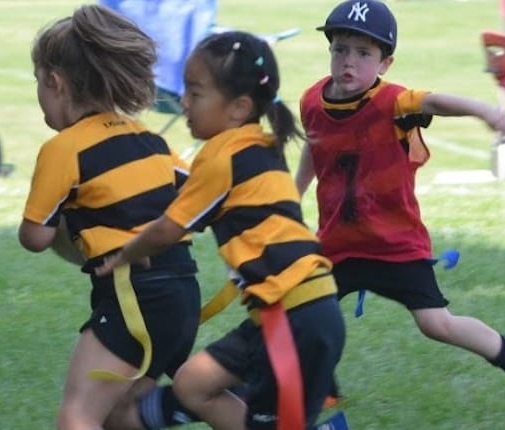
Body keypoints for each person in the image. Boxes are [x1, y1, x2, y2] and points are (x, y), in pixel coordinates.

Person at [293, 0, 505, 414]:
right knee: (303, 306)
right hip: (338, 242)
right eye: (341, 49)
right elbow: (315, 145)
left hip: (394, 244)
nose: (349, 62)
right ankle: (318, 383)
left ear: (385, 63)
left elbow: (435, 103)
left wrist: (484, 110)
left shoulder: (395, 102)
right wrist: (295, 192)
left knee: (436, 324)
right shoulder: (312, 100)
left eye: (364, 54)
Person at [97, 30, 345, 430]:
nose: (184, 103)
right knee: (193, 383)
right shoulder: (258, 144)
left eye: (195, 93)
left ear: (238, 107)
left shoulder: (221, 157)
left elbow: (167, 229)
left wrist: (127, 252)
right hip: (289, 310)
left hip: (294, 315)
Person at [20, 5, 201, 429]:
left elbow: (35, 237)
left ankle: (232, 398)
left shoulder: (64, 149)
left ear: (55, 82)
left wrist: (66, 221)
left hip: (132, 294)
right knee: (123, 416)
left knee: (78, 416)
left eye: (37, 83)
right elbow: (196, 196)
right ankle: (228, 402)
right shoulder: (151, 140)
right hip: (182, 294)